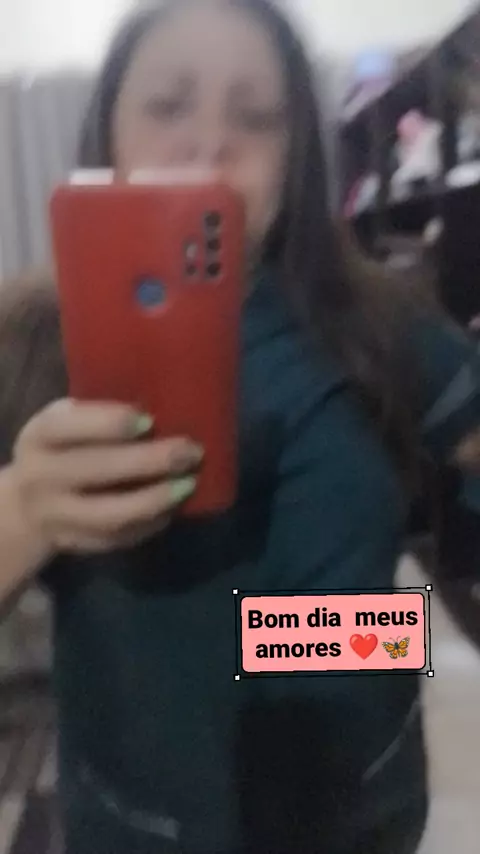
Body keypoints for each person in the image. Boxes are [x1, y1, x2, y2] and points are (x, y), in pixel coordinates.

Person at [1, 1, 480, 852]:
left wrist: (361, 637)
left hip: (359, 813)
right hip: (134, 824)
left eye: (257, 117)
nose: (209, 144)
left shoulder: (383, 320)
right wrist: (22, 515)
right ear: (107, 129)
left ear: (296, 158)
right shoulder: (26, 334)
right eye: (167, 105)